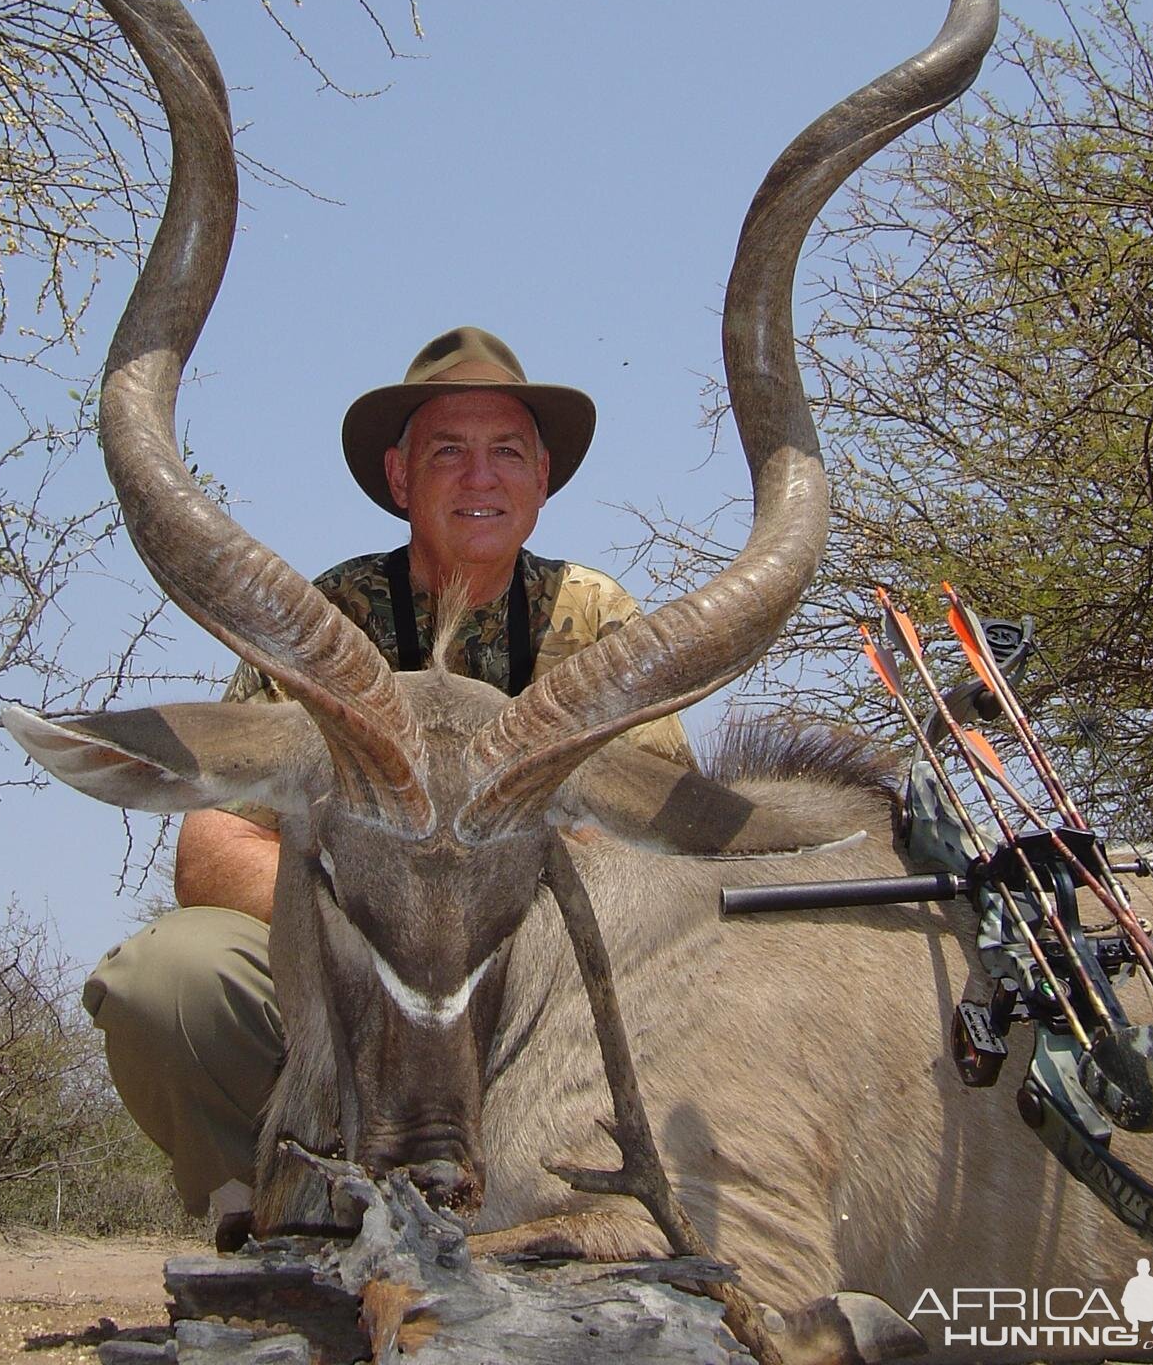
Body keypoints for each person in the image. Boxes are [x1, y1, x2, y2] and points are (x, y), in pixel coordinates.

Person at [82, 326, 696, 1240]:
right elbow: (211, 849)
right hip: (348, 1009)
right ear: (401, 479)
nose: (480, 477)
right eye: (449, 451)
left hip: (528, 1010)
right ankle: (265, 1224)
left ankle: (556, 1222)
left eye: (507, 454)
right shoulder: (326, 621)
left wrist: (474, 945)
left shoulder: (595, 618)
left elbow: (658, 854)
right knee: (171, 978)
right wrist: (385, 927)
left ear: (541, 482)